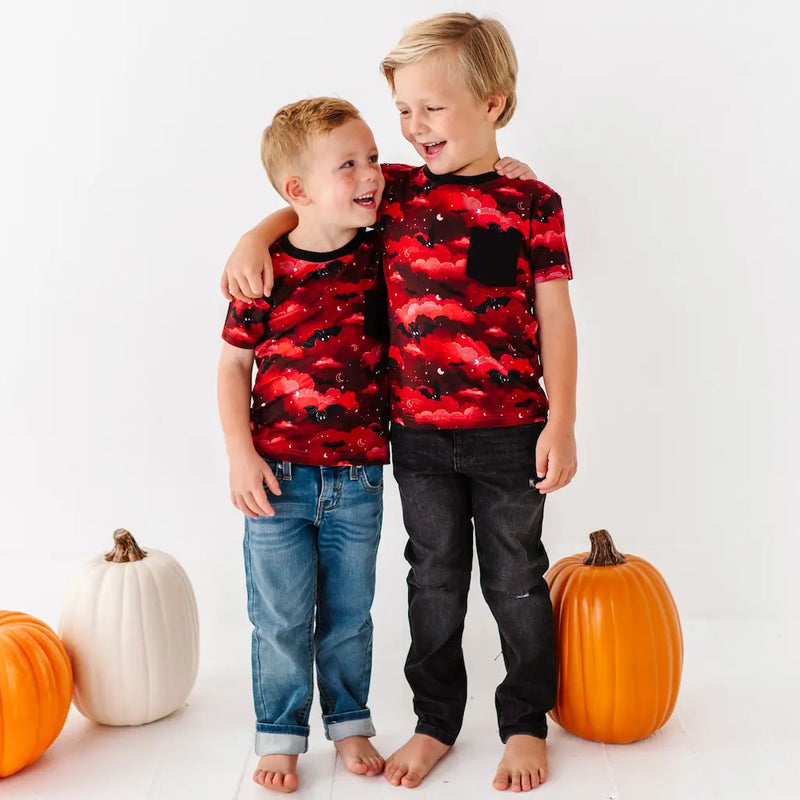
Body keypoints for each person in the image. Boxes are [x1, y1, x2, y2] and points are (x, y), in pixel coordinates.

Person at [221, 13, 578, 794]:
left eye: (432, 109)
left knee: (516, 578)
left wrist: (564, 420)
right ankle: (436, 721)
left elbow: (555, 316)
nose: (412, 129)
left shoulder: (531, 202)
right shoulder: (397, 193)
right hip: (415, 438)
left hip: (513, 429)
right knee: (434, 580)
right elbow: (315, 202)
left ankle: (524, 721)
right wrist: (257, 234)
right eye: (404, 111)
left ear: (494, 102)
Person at [217, 96, 391, 794]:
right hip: (275, 478)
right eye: (348, 164)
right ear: (298, 191)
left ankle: (350, 723)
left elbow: (446, 190)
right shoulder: (263, 274)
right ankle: (281, 735)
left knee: (349, 615)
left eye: (373, 157)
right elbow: (233, 367)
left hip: (358, 478)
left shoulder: (381, 248)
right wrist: (239, 453)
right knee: (282, 618)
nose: (372, 173)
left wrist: (509, 170)